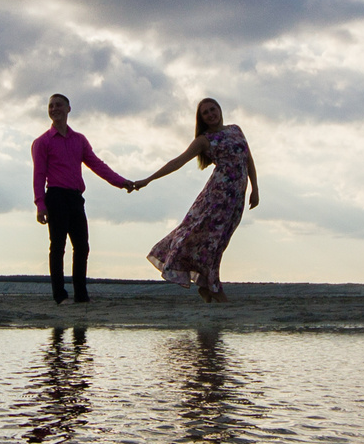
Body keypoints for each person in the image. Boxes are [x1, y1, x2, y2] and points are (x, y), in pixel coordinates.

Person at [133, 98, 258, 303]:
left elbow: (248, 160)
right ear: (201, 119)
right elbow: (178, 161)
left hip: (236, 199)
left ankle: (206, 285)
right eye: (205, 113)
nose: (210, 114)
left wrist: (255, 188)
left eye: (212, 109)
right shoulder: (204, 139)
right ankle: (213, 286)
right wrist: (148, 179)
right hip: (216, 197)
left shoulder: (236, 130)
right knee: (206, 239)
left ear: (219, 110)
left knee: (220, 242)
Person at [31, 93, 133, 303]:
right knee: (58, 246)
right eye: (51, 106)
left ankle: (81, 294)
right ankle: (59, 294)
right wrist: (40, 204)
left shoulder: (79, 140)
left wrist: (121, 182)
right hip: (56, 196)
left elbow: (97, 164)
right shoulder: (42, 142)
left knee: (82, 246)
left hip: (75, 198)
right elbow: (39, 175)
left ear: (69, 109)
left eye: (59, 105)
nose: (54, 109)